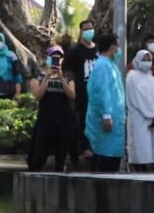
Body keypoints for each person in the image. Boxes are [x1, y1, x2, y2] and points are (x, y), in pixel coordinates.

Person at [27, 45, 77, 172]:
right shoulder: (37, 76)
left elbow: (72, 95)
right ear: (47, 58)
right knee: (40, 151)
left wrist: (61, 77)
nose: (56, 60)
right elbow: (38, 95)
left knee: (61, 154)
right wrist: (47, 77)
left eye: (59, 57)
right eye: (53, 57)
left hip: (64, 119)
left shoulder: (67, 75)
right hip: (46, 119)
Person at [84, 32, 126, 172]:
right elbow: (103, 93)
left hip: (114, 121)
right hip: (106, 121)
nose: (119, 50)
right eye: (118, 46)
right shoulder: (103, 66)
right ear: (112, 47)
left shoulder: (110, 65)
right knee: (104, 161)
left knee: (112, 160)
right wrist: (106, 116)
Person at [125, 49, 154, 171]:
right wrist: (153, 115)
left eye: (149, 59)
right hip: (140, 119)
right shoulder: (132, 77)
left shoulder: (153, 80)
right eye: (144, 59)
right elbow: (138, 99)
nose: (147, 62)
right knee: (141, 152)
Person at [63, 21, 99, 166]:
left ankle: (95, 146)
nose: (89, 31)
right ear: (81, 32)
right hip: (82, 93)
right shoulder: (75, 51)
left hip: (98, 92)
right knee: (83, 120)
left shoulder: (98, 50)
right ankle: (84, 148)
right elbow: (66, 69)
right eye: (85, 29)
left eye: (91, 28)